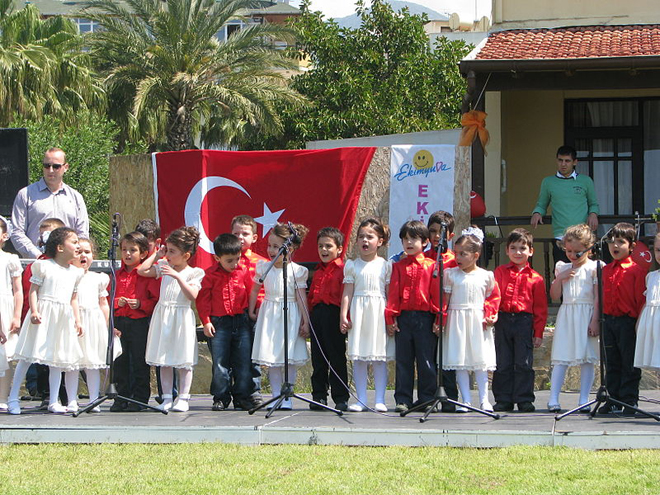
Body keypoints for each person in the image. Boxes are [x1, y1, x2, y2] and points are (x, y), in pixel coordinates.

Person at [7, 227, 84, 415]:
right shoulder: (44, 266)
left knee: (57, 359)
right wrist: (34, 311)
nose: (78, 246)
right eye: (73, 242)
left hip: (63, 317)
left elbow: (73, 298)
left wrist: (77, 319)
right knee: (27, 355)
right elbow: (33, 290)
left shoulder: (76, 272)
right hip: (44, 314)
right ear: (59, 247)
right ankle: (13, 397)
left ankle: (54, 399)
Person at [139, 227, 204, 413]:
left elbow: (192, 295)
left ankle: (183, 397)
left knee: (183, 359)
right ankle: (167, 397)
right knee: (164, 358)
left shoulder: (194, 273)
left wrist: (177, 277)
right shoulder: (163, 267)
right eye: (167, 250)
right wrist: (156, 254)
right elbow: (142, 271)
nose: (168, 254)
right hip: (163, 315)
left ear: (186, 255)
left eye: (172, 251)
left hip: (181, 317)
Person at [249, 222, 310, 411]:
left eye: (276, 246)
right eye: (270, 245)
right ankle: (275, 395)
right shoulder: (263, 267)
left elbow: (301, 297)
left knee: (288, 358)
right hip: (269, 313)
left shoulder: (298, 271)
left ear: (289, 248)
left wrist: (305, 320)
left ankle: (287, 395)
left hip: (290, 313)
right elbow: (255, 289)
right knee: (272, 357)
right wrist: (252, 309)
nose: (271, 250)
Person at [441, 228, 500, 412]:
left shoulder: (485, 275)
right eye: (456, 253)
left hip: (478, 320)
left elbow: (493, 297)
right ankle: (465, 400)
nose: (458, 258)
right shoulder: (451, 275)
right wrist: (441, 320)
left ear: (476, 255)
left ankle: (484, 399)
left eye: (463, 254)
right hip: (457, 319)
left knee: (479, 360)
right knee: (461, 360)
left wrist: (492, 313)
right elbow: (445, 300)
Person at [340, 218, 394, 412]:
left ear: (379, 241)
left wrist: (390, 317)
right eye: (361, 236)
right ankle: (361, 398)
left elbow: (389, 293)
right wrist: (343, 315)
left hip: (378, 311)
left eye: (370, 237)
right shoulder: (352, 265)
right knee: (359, 357)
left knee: (379, 357)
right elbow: (347, 292)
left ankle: (380, 399)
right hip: (359, 311)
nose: (365, 240)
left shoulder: (385, 265)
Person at [492, 228, 548, 413]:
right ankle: (503, 399)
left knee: (524, 362)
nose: (518, 252)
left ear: (531, 251)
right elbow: (493, 296)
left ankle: (524, 399)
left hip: (524, 321)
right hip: (503, 320)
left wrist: (538, 332)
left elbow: (540, 308)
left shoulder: (536, 278)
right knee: (503, 362)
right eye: (513, 248)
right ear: (507, 250)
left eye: (522, 248)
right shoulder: (500, 272)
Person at [386, 220, 438, 413]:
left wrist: (438, 319)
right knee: (403, 360)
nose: (409, 243)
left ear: (425, 242)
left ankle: (426, 398)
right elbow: (394, 294)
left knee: (425, 360)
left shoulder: (432, 266)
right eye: (405, 239)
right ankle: (403, 399)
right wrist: (391, 318)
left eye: (413, 239)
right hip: (404, 318)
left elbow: (435, 294)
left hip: (425, 318)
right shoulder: (399, 266)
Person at [197, 233, 254, 411]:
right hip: (219, 322)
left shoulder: (243, 271)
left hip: (241, 320)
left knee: (243, 362)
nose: (234, 264)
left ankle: (242, 397)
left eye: (237, 259)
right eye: (229, 260)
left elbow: (251, 291)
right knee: (220, 363)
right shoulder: (209, 275)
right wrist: (206, 321)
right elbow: (203, 300)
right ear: (217, 258)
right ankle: (221, 397)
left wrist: (252, 311)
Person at [547, 224, 600, 413]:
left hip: (586, 313)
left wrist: (595, 320)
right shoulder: (562, 267)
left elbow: (597, 297)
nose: (572, 255)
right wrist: (559, 278)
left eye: (577, 252)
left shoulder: (594, 268)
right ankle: (553, 398)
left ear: (589, 249)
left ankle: (584, 398)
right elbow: (554, 296)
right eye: (568, 251)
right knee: (561, 357)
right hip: (568, 313)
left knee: (587, 358)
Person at [598, 223, 646, 415]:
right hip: (609, 321)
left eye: (620, 242)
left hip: (628, 323)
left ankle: (629, 399)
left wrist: (637, 323)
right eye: (611, 242)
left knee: (629, 363)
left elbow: (639, 300)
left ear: (632, 246)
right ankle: (612, 398)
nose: (615, 246)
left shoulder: (636, 271)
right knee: (611, 362)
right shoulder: (606, 269)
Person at [111, 231, 160, 412]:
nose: (128, 254)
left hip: (139, 323)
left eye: (133, 250)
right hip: (120, 322)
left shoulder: (146, 275)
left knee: (139, 361)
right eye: (124, 250)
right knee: (120, 361)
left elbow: (155, 302)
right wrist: (117, 303)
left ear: (143, 254)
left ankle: (139, 398)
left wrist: (140, 304)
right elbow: (107, 299)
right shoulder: (116, 275)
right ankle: (121, 397)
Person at [11, 148, 89, 259]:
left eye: (56, 166)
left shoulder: (76, 197)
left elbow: (82, 233)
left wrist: (73, 256)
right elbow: (16, 232)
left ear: (65, 167)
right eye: (47, 166)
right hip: (36, 264)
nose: (50, 170)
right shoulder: (25, 194)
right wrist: (37, 255)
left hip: (68, 264)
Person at [19, 218, 65, 406]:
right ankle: (43, 393)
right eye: (43, 235)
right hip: (40, 318)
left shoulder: (71, 266)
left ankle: (63, 396)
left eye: (51, 234)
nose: (46, 238)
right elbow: (27, 294)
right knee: (38, 360)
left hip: (62, 319)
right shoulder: (37, 265)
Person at [530, 145, 599, 264]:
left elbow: (593, 203)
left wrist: (593, 214)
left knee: (584, 273)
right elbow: (542, 204)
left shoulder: (585, 181)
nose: (563, 164)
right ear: (556, 160)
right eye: (560, 160)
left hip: (582, 237)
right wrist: (537, 213)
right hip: (560, 237)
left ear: (575, 162)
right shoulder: (548, 182)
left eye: (567, 161)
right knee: (560, 273)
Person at [72, 238, 117, 413]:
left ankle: (93, 399)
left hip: (92, 321)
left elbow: (103, 303)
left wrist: (108, 325)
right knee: (73, 363)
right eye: (79, 252)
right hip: (75, 322)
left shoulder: (98, 278)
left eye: (87, 252)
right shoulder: (69, 276)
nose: (84, 255)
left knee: (91, 362)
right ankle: (71, 400)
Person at [308, 227, 349, 412]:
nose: (324, 250)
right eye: (320, 246)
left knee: (336, 357)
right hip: (318, 315)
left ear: (339, 249)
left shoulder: (343, 270)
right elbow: (311, 297)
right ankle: (319, 395)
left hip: (334, 314)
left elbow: (346, 296)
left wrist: (344, 318)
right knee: (318, 358)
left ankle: (341, 397)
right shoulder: (317, 270)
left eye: (328, 246)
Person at [425, 210, 459, 412]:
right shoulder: (424, 259)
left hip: (449, 315)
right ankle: (429, 397)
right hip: (428, 313)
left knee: (447, 357)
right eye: (433, 231)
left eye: (442, 232)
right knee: (429, 358)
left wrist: (443, 315)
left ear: (451, 236)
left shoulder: (455, 260)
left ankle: (450, 398)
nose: (437, 236)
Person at [232, 215, 267, 407]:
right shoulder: (226, 261)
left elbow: (264, 290)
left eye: (245, 233)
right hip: (233, 314)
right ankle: (237, 393)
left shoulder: (261, 262)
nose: (240, 237)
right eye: (236, 233)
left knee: (254, 355)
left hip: (254, 314)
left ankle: (254, 391)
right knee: (236, 356)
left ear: (254, 237)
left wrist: (258, 309)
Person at [0, 216, 23, 412]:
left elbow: (18, 290)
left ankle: (3, 397)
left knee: (6, 356)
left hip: (4, 306)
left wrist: (16, 316)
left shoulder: (10, 259)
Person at [634, 233, 660, 371]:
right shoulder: (651, 276)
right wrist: (640, 322)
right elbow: (648, 301)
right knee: (657, 361)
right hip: (653, 326)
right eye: (658, 250)